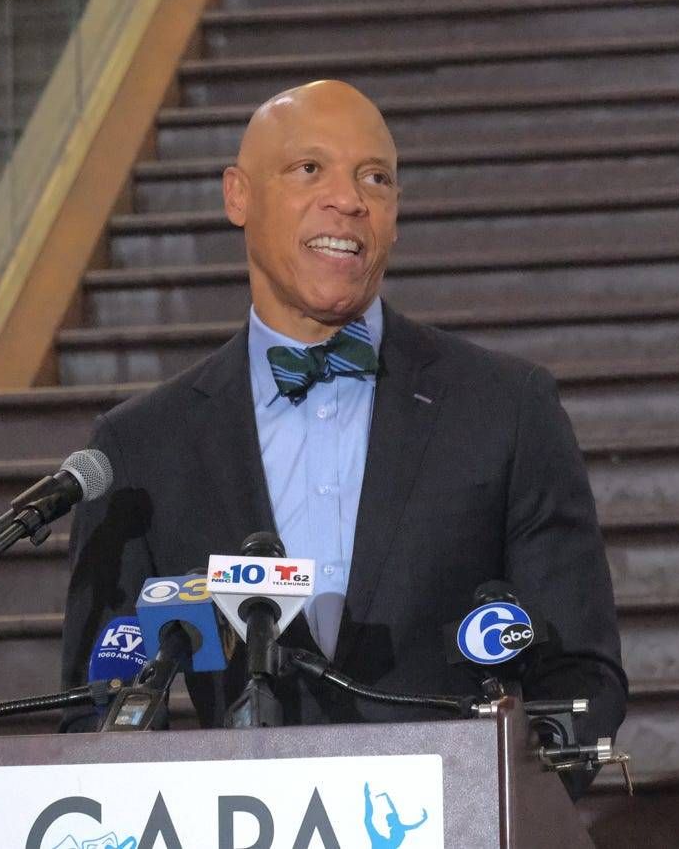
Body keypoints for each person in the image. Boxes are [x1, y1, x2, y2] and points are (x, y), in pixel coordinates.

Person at [61, 80, 626, 796]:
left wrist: (495, 808)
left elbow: (580, 676)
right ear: (238, 196)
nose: (349, 199)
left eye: (375, 178)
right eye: (309, 169)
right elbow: (96, 710)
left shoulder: (507, 409)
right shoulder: (139, 448)